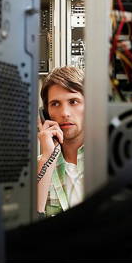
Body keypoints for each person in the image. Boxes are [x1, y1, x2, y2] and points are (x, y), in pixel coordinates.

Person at [36, 66, 85, 218]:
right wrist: (47, 159)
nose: (64, 113)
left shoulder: (108, 159)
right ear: (45, 114)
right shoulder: (40, 167)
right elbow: (28, 222)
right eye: (55, 104)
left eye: (73, 101)